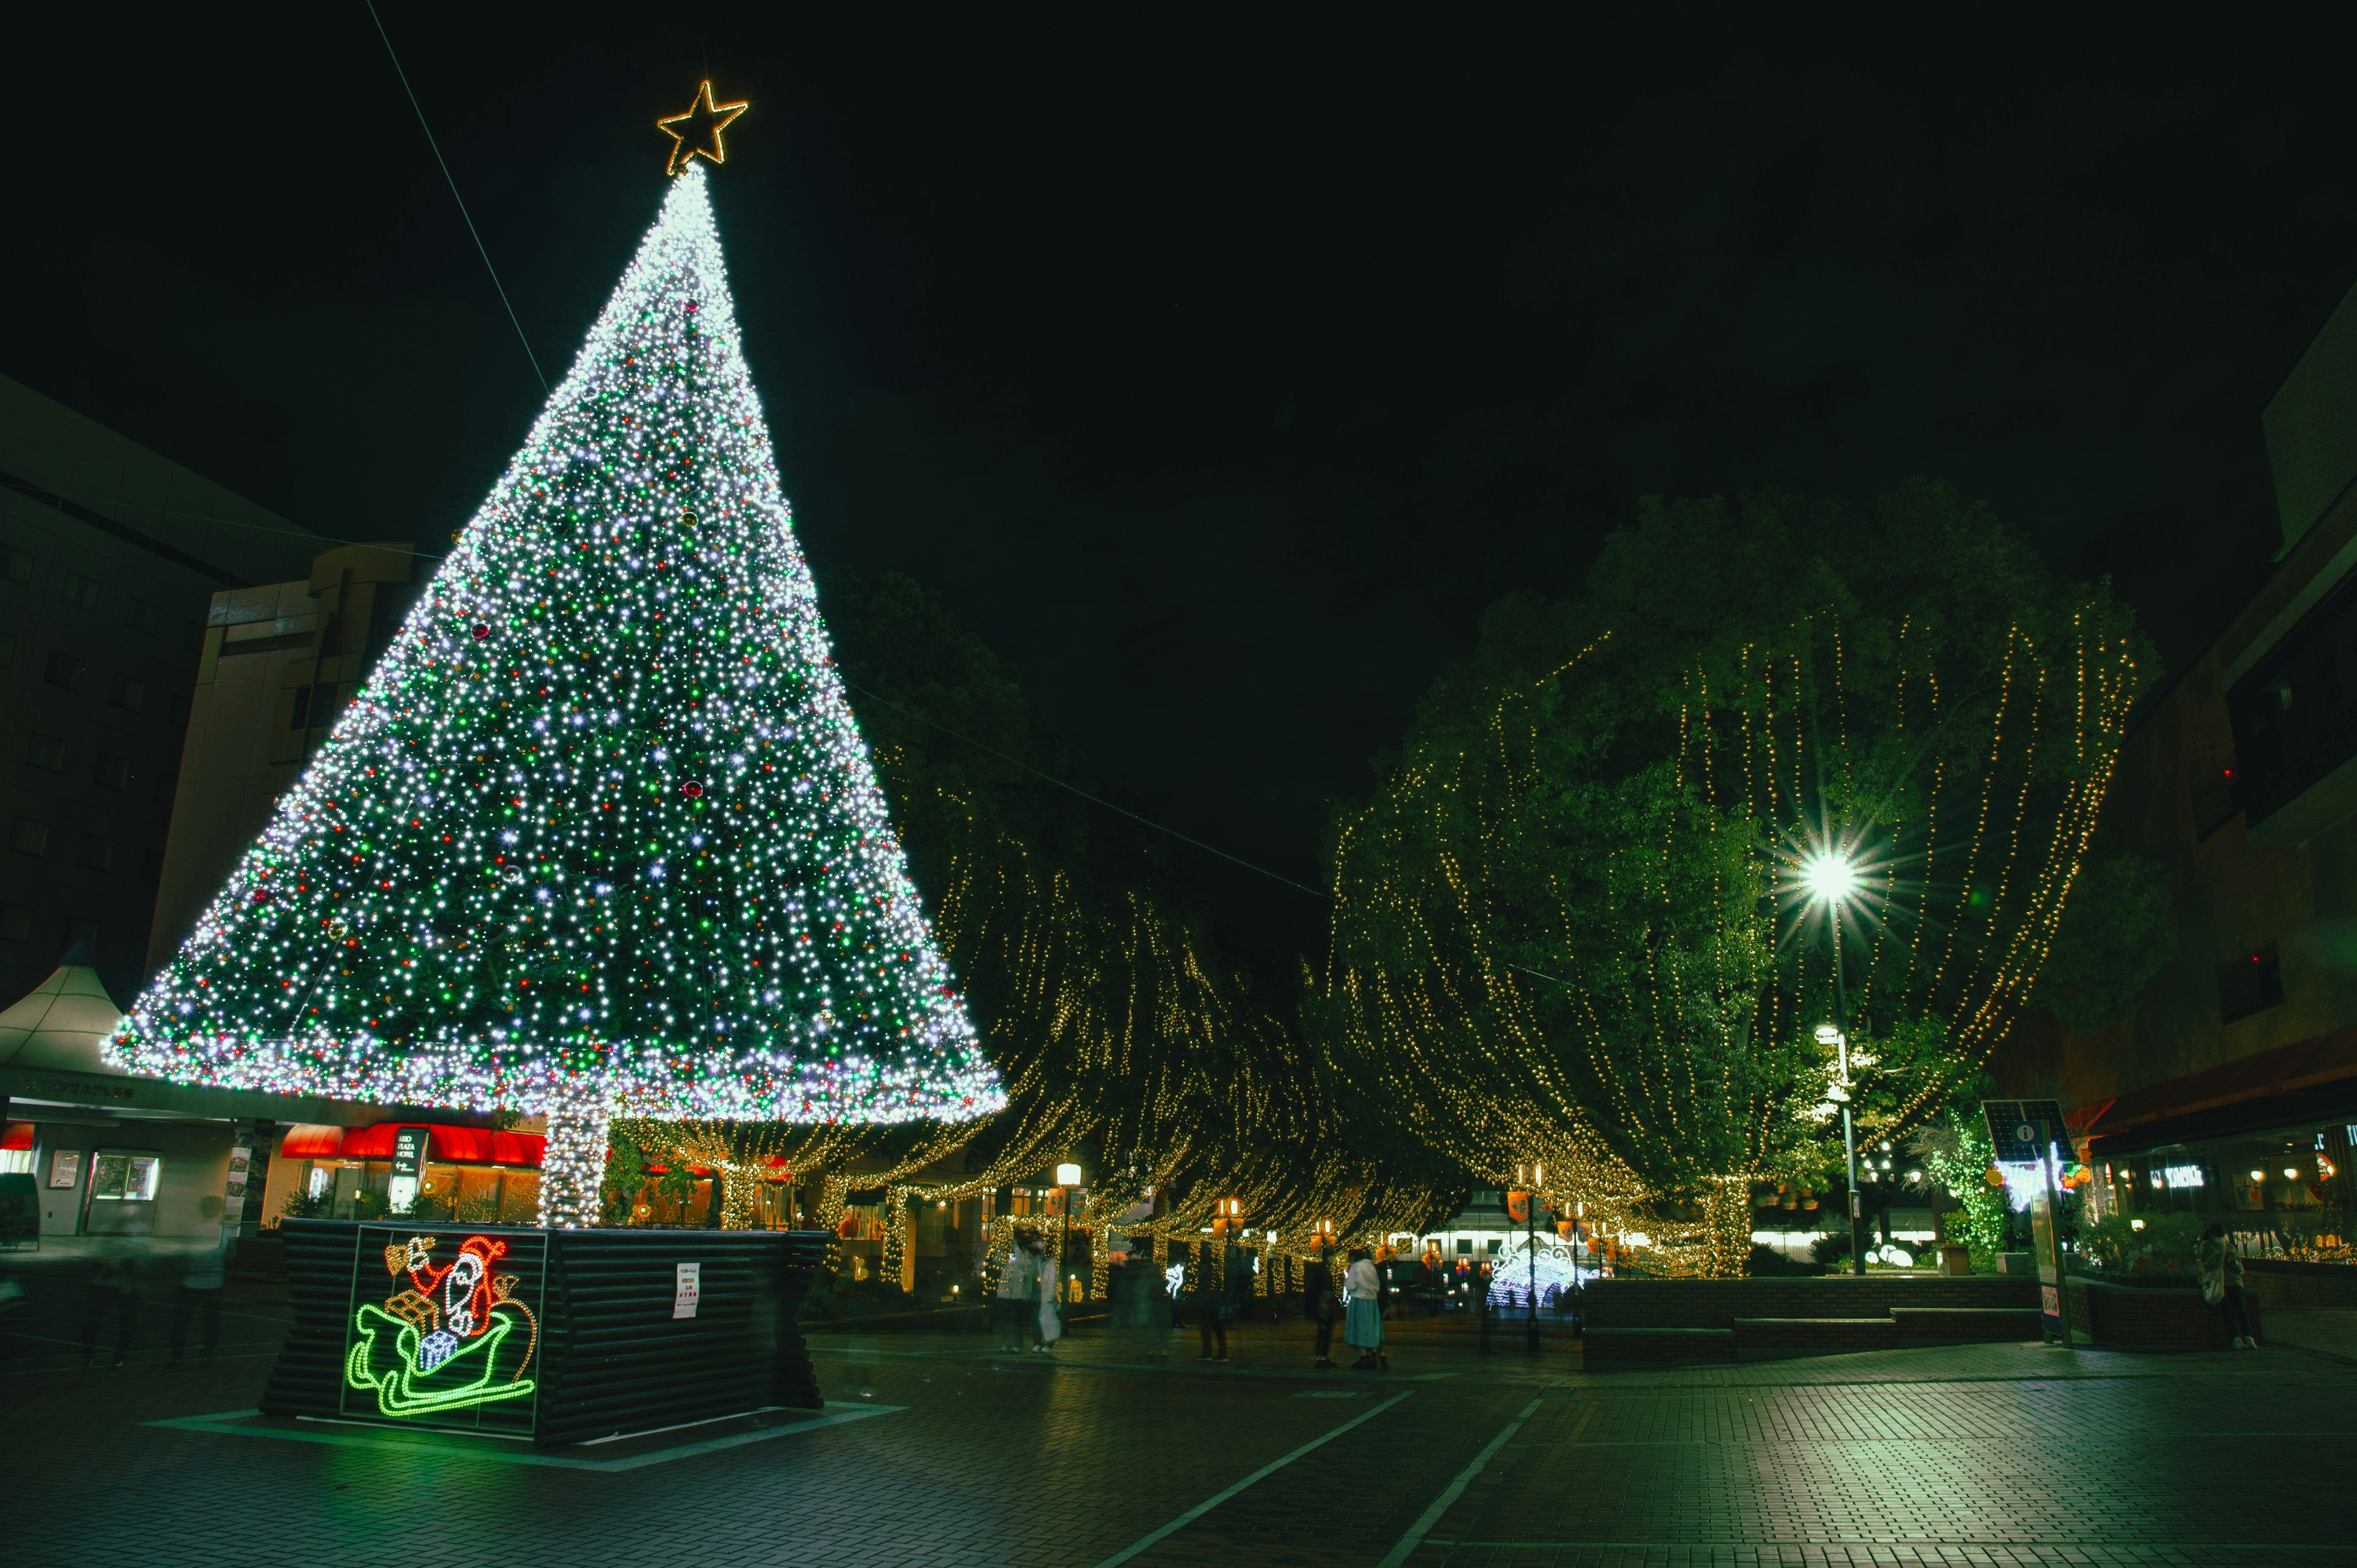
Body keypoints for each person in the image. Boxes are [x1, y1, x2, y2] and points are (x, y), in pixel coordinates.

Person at [171, 1195, 238, 1362]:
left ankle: (177, 1355)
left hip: (191, 1282)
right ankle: (206, 1355)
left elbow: (182, 1257)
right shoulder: (226, 1232)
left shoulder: (191, 1231)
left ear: (202, 1208)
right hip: (215, 1282)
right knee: (211, 1322)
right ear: (220, 1209)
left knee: (182, 1321)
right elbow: (231, 1256)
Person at [2202, 1222, 2257, 1348]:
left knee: (2241, 1310)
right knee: (2228, 1310)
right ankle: (2236, 1339)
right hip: (2219, 1283)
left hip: (2235, 1282)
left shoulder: (2230, 1246)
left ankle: (2248, 1337)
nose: (2220, 1238)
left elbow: (2239, 1270)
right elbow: (2207, 1265)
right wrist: (2220, 1254)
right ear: (2211, 1235)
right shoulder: (2206, 1246)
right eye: (2218, 1235)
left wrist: (2233, 1260)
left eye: (2222, 1235)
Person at [1345, 1245, 1386, 1370]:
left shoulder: (1355, 1267)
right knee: (1372, 1328)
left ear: (1352, 1257)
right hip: (1372, 1300)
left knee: (1360, 1327)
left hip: (1359, 1299)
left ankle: (1363, 1357)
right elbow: (1377, 1283)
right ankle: (1372, 1355)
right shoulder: (1371, 1266)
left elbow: (1350, 1285)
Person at [1196, 1222, 1233, 1361]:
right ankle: (1211, 1351)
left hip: (1212, 1301)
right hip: (1210, 1301)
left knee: (1214, 1327)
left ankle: (1215, 1351)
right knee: (1209, 1327)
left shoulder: (1212, 1272)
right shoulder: (1212, 1272)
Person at [995, 1229, 1035, 1352]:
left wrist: (1016, 1247)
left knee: (1016, 1320)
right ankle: (1006, 1344)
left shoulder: (1024, 1252)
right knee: (1005, 1320)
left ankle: (1017, 1345)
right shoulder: (1007, 1253)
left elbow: (1023, 1264)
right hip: (1005, 1292)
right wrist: (1001, 1247)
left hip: (1018, 1292)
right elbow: (997, 1260)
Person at [1304, 1235, 1339, 1368]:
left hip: (1324, 1305)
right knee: (1324, 1331)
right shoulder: (1322, 1271)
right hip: (1323, 1305)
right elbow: (1320, 1289)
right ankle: (1321, 1357)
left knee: (1325, 1331)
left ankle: (1322, 1357)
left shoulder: (1321, 1270)